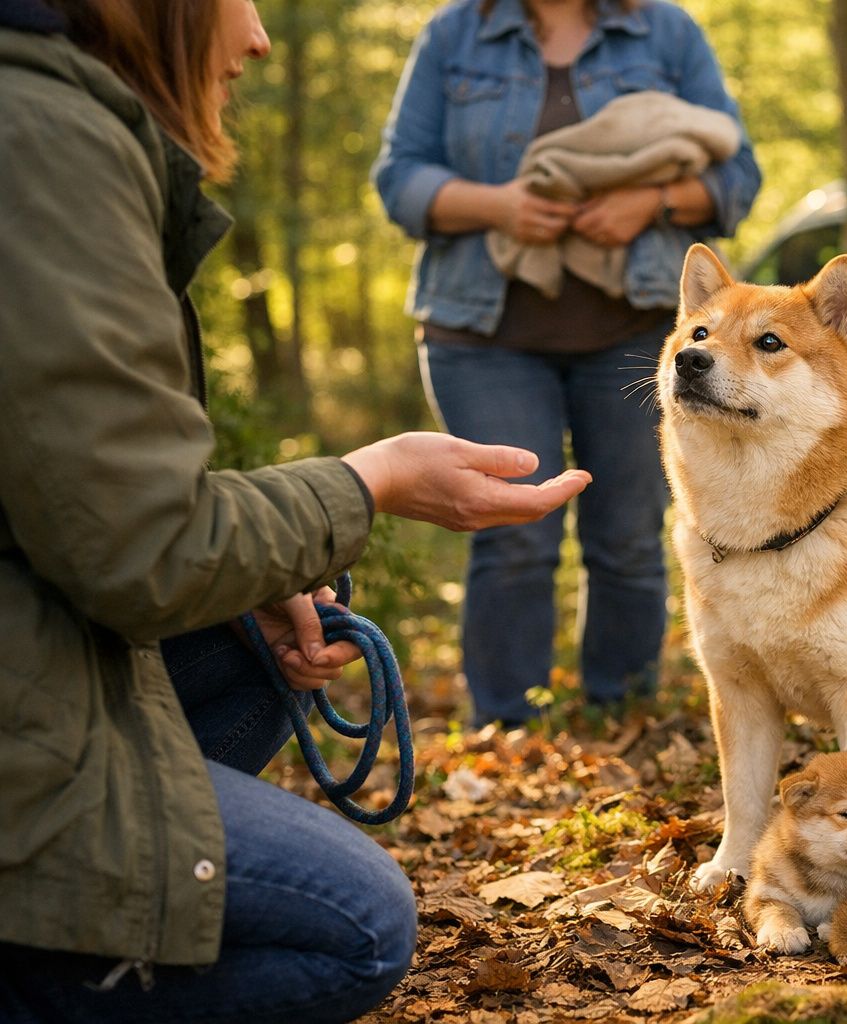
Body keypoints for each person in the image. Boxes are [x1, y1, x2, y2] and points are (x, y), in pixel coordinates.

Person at [0, 0, 590, 1020]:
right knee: (360, 922)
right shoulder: (43, 136)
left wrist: (275, 565)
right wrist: (374, 481)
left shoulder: (53, 117)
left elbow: (87, 509)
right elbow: (145, 546)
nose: (261, 35)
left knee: (268, 623)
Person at [372, 0, 761, 728]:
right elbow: (398, 179)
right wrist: (497, 206)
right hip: (482, 335)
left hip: (635, 330)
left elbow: (739, 174)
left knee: (626, 535)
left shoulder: (665, 32)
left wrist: (651, 202)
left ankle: (623, 713)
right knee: (515, 531)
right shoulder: (454, 35)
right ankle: (509, 725)